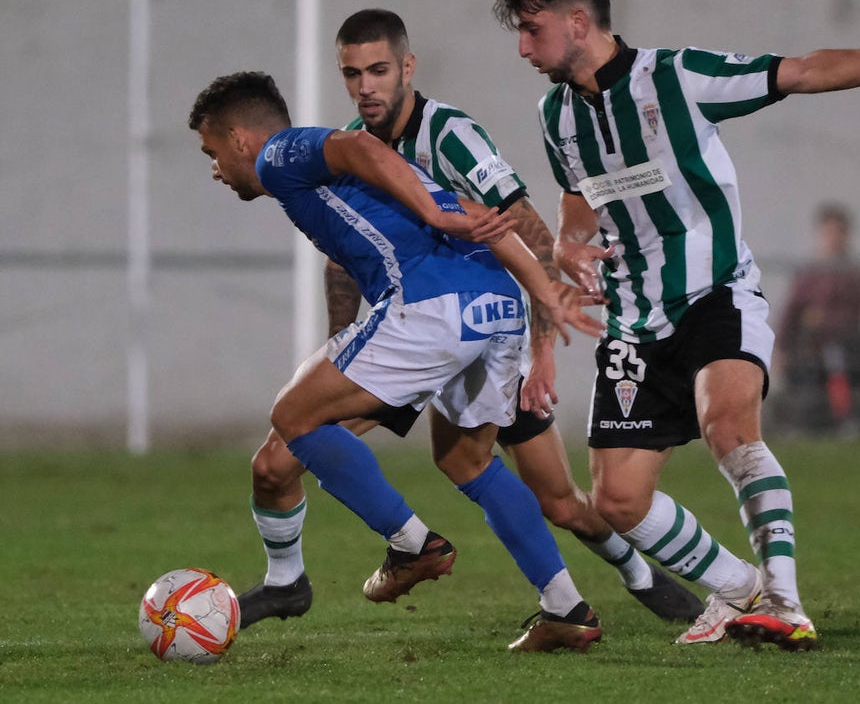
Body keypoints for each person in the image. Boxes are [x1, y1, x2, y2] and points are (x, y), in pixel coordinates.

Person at [491, 0, 860, 649]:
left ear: (578, 22)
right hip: (632, 321)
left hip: (715, 294)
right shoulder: (554, 115)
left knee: (729, 429)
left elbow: (803, 71)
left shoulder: (678, 78)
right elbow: (576, 197)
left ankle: (784, 599)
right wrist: (568, 240)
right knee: (618, 502)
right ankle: (737, 587)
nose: (523, 46)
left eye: (531, 29)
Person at [234, 10, 702, 631]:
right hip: (419, 326)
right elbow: (342, 263)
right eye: (353, 74)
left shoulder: (448, 133)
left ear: (407, 67)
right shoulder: (353, 144)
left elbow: (522, 229)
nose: (366, 87)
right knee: (283, 455)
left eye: (378, 71)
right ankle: (293, 578)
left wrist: (542, 353)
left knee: (558, 499)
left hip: (484, 325)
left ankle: (636, 574)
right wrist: (342, 346)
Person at [187, 70, 604, 652]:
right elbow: (468, 208)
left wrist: (435, 223)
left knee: (293, 416)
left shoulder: (279, 155)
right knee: (467, 460)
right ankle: (566, 609)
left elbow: (358, 147)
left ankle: (411, 544)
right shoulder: (360, 176)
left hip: (429, 304)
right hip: (494, 303)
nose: (215, 169)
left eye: (211, 152)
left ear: (238, 138)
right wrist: (540, 288)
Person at [773, 201, 860, 436]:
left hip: (851, 343)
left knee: (846, 363)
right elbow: (791, 312)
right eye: (829, 232)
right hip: (813, 345)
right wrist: (781, 347)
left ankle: (849, 417)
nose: (834, 238)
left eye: (839, 232)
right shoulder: (809, 273)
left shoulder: (857, 271)